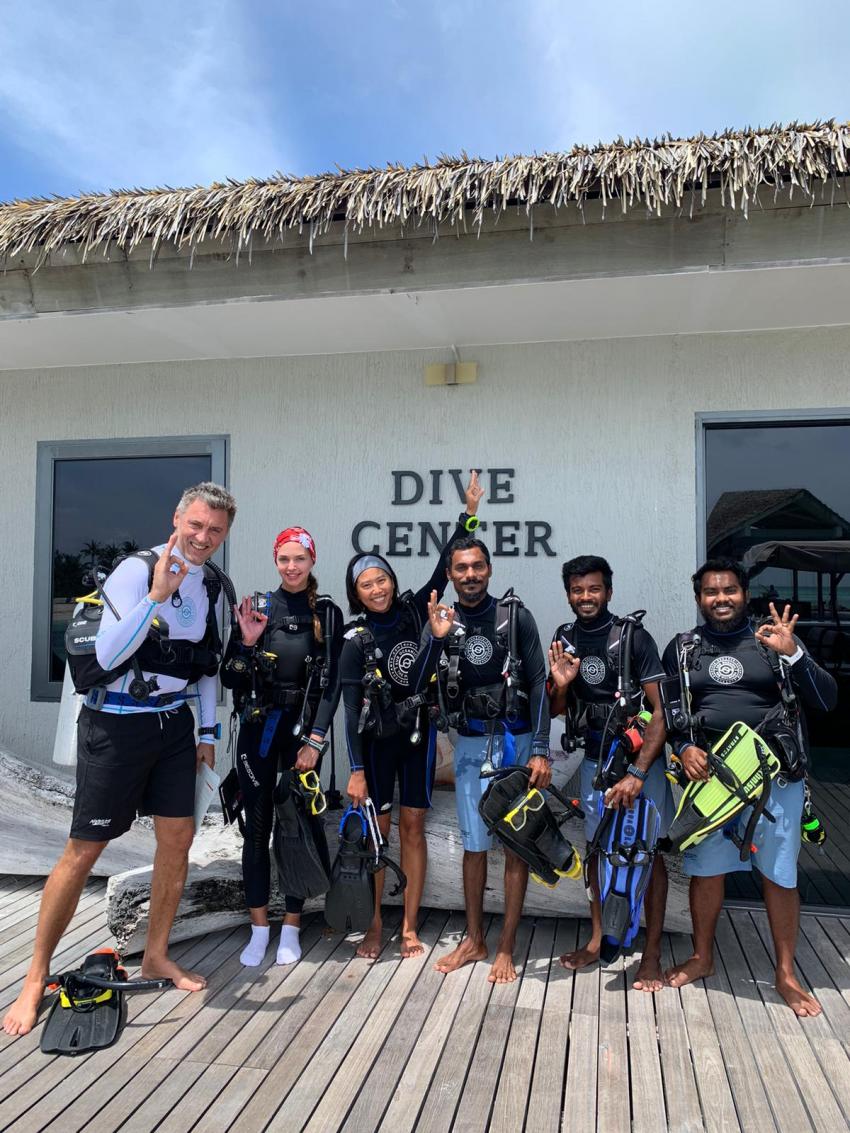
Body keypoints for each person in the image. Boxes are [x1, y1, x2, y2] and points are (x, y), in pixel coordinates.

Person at [3, 482, 237, 1037]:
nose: (203, 538)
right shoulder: (136, 571)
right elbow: (107, 653)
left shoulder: (212, 585)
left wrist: (207, 732)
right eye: (197, 525)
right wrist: (156, 598)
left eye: (216, 531)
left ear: (225, 533)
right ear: (177, 517)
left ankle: (156, 954)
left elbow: (203, 666)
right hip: (115, 726)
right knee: (84, 848)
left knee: (178, 839)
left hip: (174, 727)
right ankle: (35, 976)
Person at [661, 558, 837, 1015]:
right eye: (711, 592)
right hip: (711, 783)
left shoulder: (770, 641)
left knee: (779, 873)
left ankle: (785, 973)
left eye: (730, 591)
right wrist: (682, 749)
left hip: (774, 778)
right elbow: (672, 712)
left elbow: (826, 700)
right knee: (706, 871)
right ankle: (702, 956)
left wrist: (794, 653)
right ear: (699, 598)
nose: (721, 599)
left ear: (745, 593)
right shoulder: (682, 649)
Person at [340, 471, 484, 959]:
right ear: (355, 593)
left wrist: (468, 514)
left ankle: (408, 924)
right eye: (366, 584)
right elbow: (347, 707)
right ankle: (376, 924)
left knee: (413, 827)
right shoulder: (355, 637)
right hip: (378, 740)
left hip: (419, 734)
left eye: (381, 579)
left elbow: (447, 566)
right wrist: (355, 769)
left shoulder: (411, 610)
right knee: (380, 829)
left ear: (391, 580)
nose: (377, 589)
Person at [409, 538, 551, 983]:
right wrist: (433, 639)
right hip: (471, 743)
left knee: (515, 845)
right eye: (460, 569)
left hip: (515, 740)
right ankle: (475, 938)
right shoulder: (442, 620)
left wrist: (543, 748)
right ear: (449, 575)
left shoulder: (515, 617)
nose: (469, 576)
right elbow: (417, 679)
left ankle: (506, 944)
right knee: (474, 846)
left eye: (477, 567)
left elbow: (540, 681)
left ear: (489, 569)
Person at [547, 555, 671, 991]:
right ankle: (599, 939)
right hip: (597, 763)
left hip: (638, 765)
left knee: (648, 855)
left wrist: (638, 772)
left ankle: (651, 954)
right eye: (578, 590)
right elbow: (558, 710)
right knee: (597, 852)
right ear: (568, 595)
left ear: (609, 592)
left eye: (594, 589)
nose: (586, 597)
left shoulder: (632, 637)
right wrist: (560, 683)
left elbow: (661, 711)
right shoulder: (565, 638)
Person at [220, 526, 342, 967]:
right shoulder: (258, 608)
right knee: (256, 829)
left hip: (300, 738)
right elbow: (229, 676)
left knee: (296, 827)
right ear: (276, 560)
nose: (292, 567)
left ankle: (291, 924)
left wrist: (315, 741)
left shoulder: (326, 614)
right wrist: (247, 642)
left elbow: (332, 688)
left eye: (300, 559)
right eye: (284, 559)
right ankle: (258, 929)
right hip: (257, 731)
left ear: (312, 562)